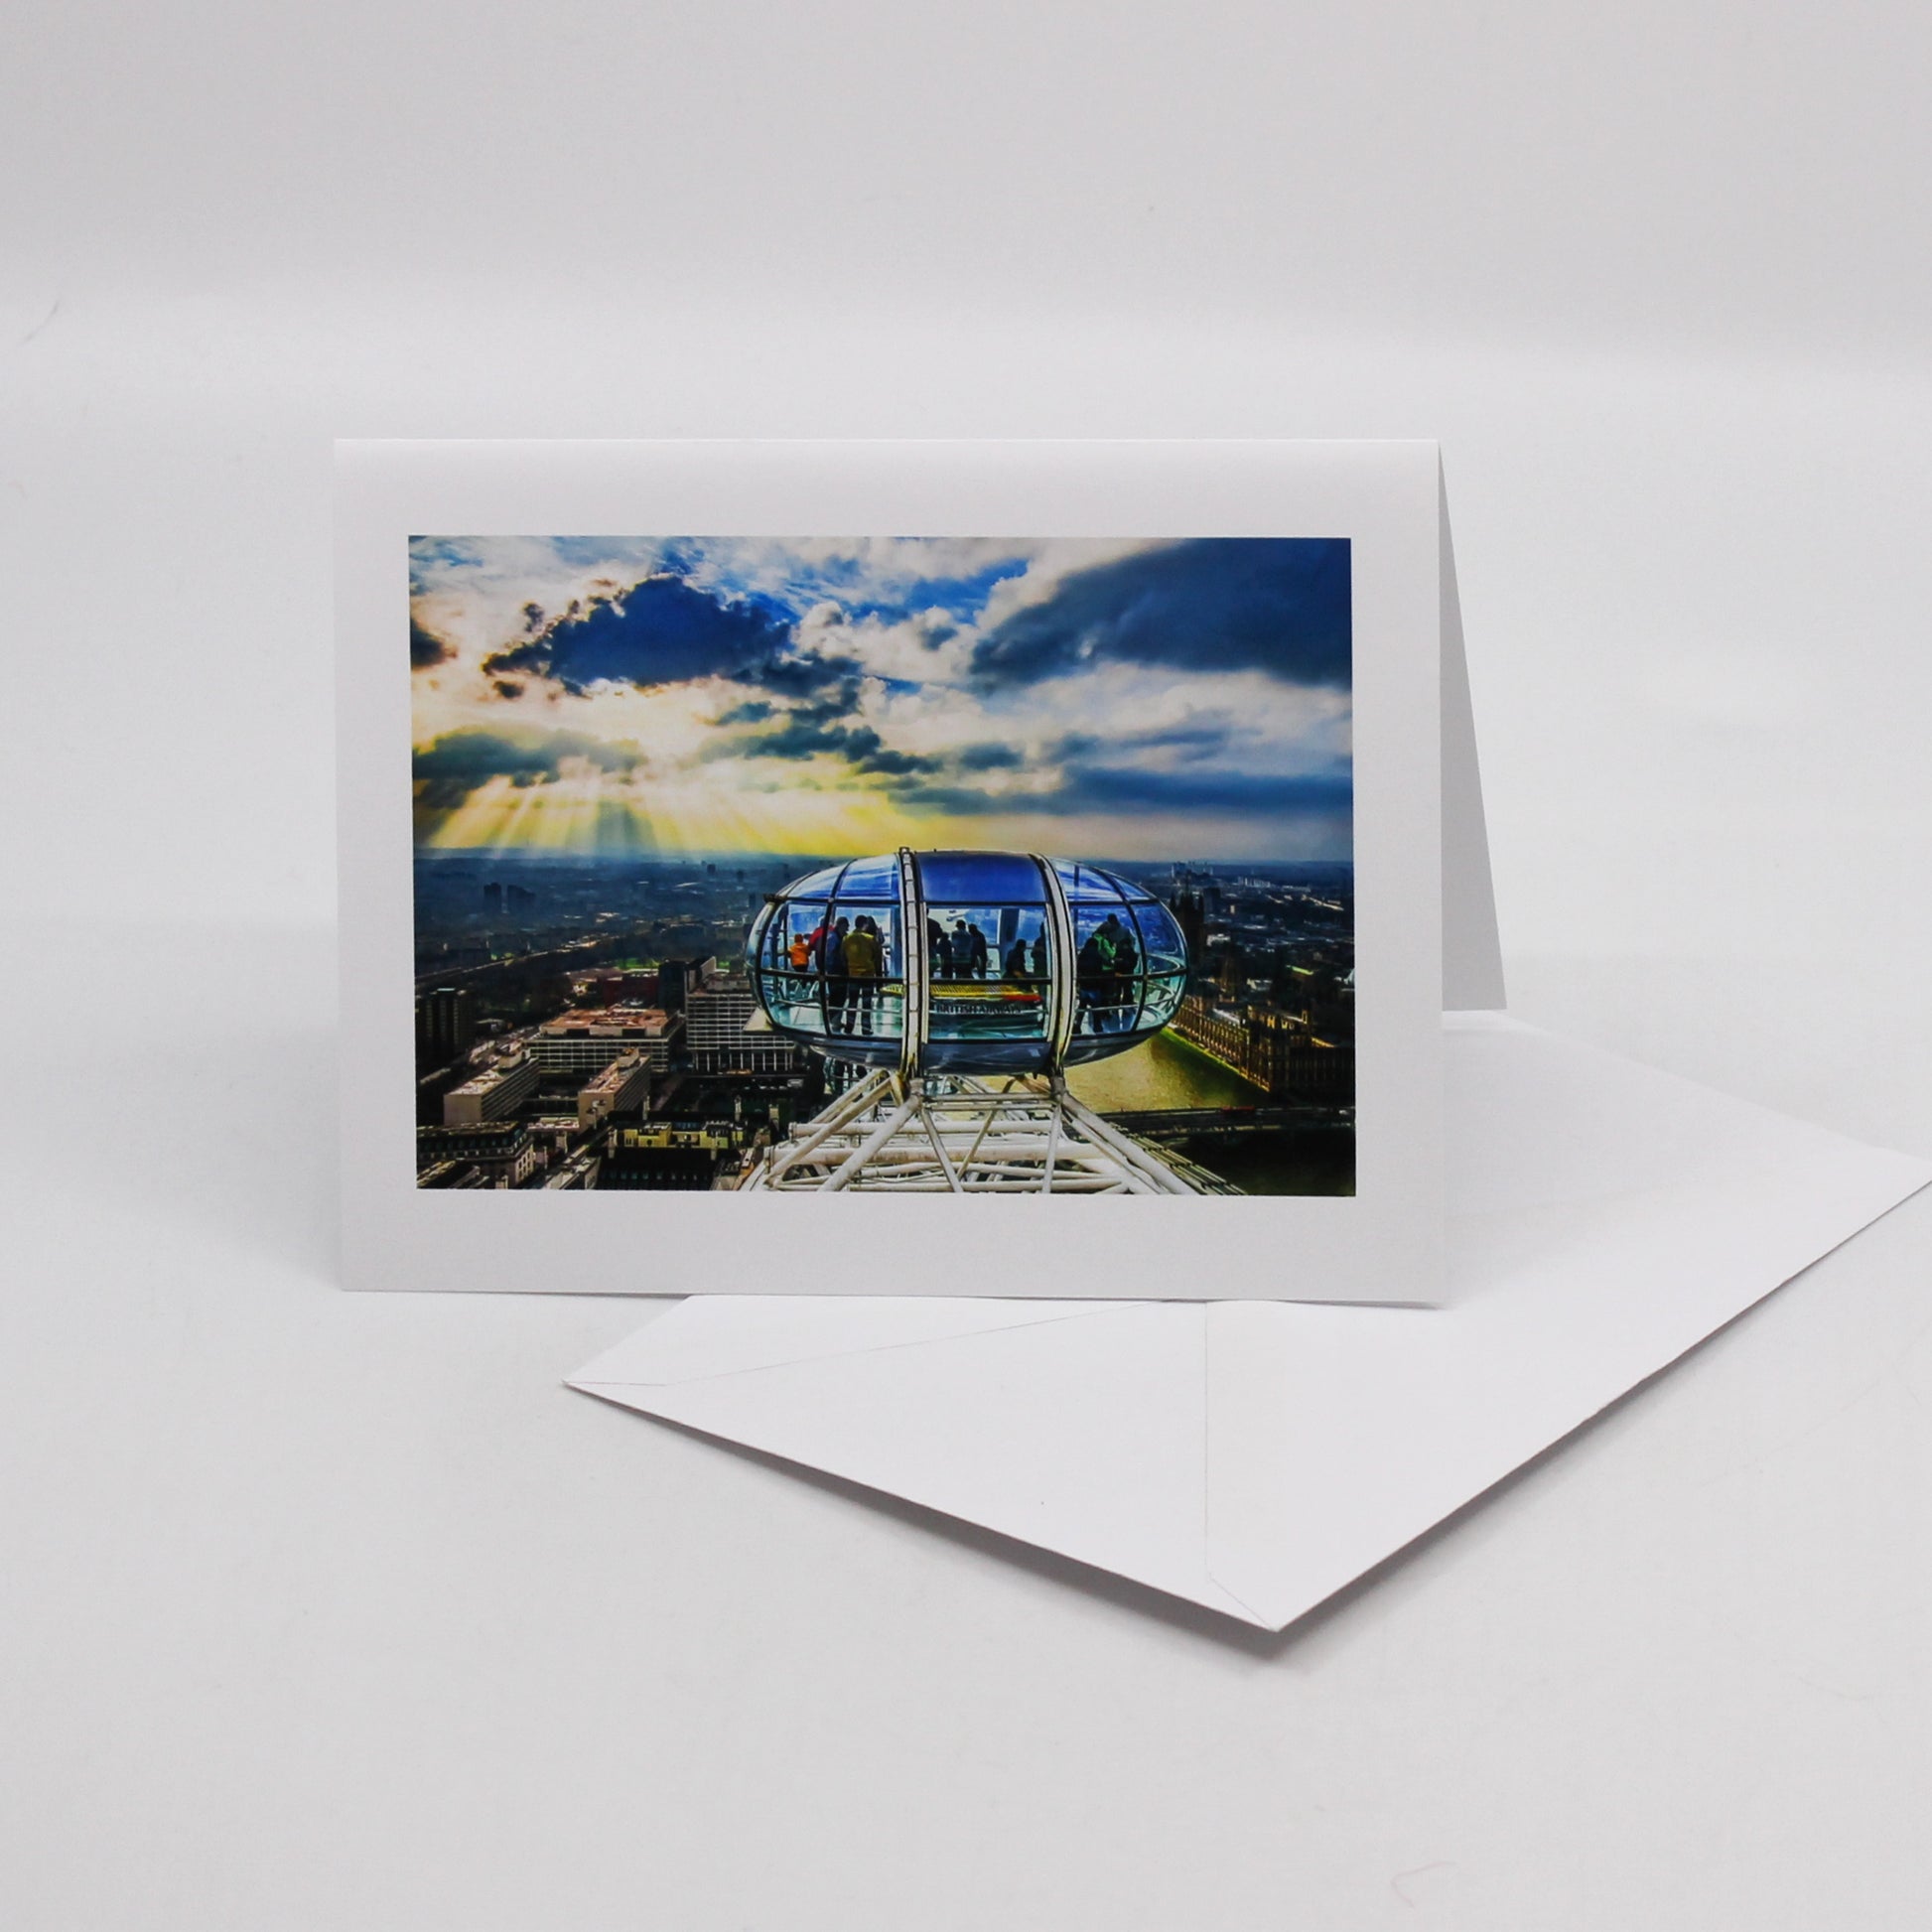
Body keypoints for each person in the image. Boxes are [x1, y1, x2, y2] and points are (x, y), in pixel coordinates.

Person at [841, 913, 881, 1035]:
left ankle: (849, 1026)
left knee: (852, 1002)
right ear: (865, 924)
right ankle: (866, 1028)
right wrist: (879, 976)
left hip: (853, 975)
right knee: (866, 1003)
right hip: (868, 975)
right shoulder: (870, 939)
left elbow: (842, 957)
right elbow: (877, 957)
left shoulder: (847, 939)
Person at [822, 916, 849, 1033]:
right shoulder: (833, 938)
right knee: (836, 996)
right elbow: (829, 956)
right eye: (846, 926)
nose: (847, 928)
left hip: (841, 971)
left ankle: (836, 1019)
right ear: (841, 925)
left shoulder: (837, 937)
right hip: (835, 972)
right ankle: (834, 1020)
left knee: (840, 996)